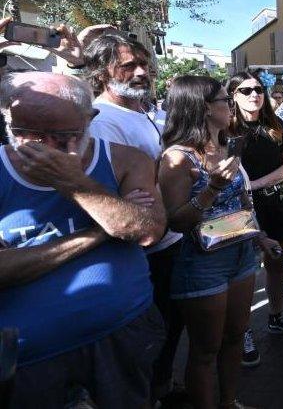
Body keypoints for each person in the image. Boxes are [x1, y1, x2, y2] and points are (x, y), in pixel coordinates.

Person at [0, 72, 166, 408]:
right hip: (29, 356)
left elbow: (147, 231)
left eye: (62, 136)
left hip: (121, 335)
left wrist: (74, 182)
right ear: (7, 119)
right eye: (26, 134)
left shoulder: (126, 159)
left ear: (89, 120)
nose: (44, 148)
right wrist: (101, 231)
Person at [158, 75, 280, 409]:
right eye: (226, 99)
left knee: (235, 339)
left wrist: (261, 238)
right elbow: (177, 221)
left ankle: (228, 403)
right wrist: (211, 188)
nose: (231, 105)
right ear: (202, 108)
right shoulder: (178, 159)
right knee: (204, 350)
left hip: (241, 254)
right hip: (201, 262)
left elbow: (243, 203)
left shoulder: (230, 146)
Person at [82, 31, 185, 400]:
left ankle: (163, 388)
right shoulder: (101, 119)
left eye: (145, 64)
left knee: (170, 330)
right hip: (142, 252)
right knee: (146, 342)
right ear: (101, 73)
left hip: (172, 239)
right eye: (129, 66)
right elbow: (128, 197)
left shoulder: (146, 111)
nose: (142, 72)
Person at [227, 72, 283, 366]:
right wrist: (247, 189)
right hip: (239, 208)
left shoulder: (274, 124)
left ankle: (276, 314)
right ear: (233, 95)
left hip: (275, 202)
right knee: (245, 270)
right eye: (245, 90)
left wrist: (256, 184)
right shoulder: (228, 127)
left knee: (276, 261)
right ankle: (242, 330)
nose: (254, 94)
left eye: (258, 89)